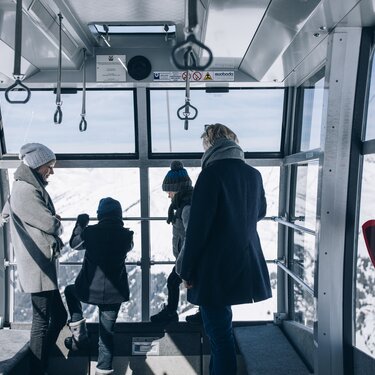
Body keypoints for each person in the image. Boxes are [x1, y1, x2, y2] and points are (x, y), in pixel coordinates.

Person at [179, 124, 272, 375]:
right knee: (222, 333)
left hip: (213, 270)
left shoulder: (210, 175)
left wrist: (186, 270)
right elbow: (260, 211)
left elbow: (197, 230)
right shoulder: (254, 174)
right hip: (245, 260)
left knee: (219, 338)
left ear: (210, 145)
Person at [0, 143, 67, 375]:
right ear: (38, 165)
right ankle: (38, 369)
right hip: (37, 264)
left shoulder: (24, 187)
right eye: (50, 166)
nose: (52, 171)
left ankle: (41, 365)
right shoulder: (26, 190)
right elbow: (48, 223)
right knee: (42, 322)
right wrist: (56, 221)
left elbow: (8, 211)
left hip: (40, 264)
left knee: (58, 316)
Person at [64, 197, 134, 375]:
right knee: (107, 335)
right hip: (115, 294)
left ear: (100, 215)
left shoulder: (90, 232)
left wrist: (81, 224)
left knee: (70, 291)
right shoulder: (126, 236)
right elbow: (129, 246)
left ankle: (79, 334)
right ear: (119, 215)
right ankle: (103, 370)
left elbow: (74, 244)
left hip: (88, 289)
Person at [150, 161, 201, 324]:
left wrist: (182, 267)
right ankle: (201, 313)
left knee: (175, 281)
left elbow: (190, 238)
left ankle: (174, 313)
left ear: (178, 189)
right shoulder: (184, 204)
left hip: (188, 258)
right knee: (176, 282)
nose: (168, 195)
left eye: (170, 191)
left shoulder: (187, 208)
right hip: (186, 257)